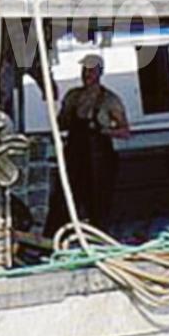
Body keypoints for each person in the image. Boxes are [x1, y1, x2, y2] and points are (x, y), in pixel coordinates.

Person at [54, 52, 131, 226]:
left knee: (98, 202)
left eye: (91, 70)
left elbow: (125, 131)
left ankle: (98, 232)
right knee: (66, 198)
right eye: (84, 70)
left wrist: (104, 130)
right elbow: (61, 124)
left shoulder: (110, 100)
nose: (86, 74)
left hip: (99, 161)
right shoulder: (72, 96)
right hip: (74, 157)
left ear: (100, 73)